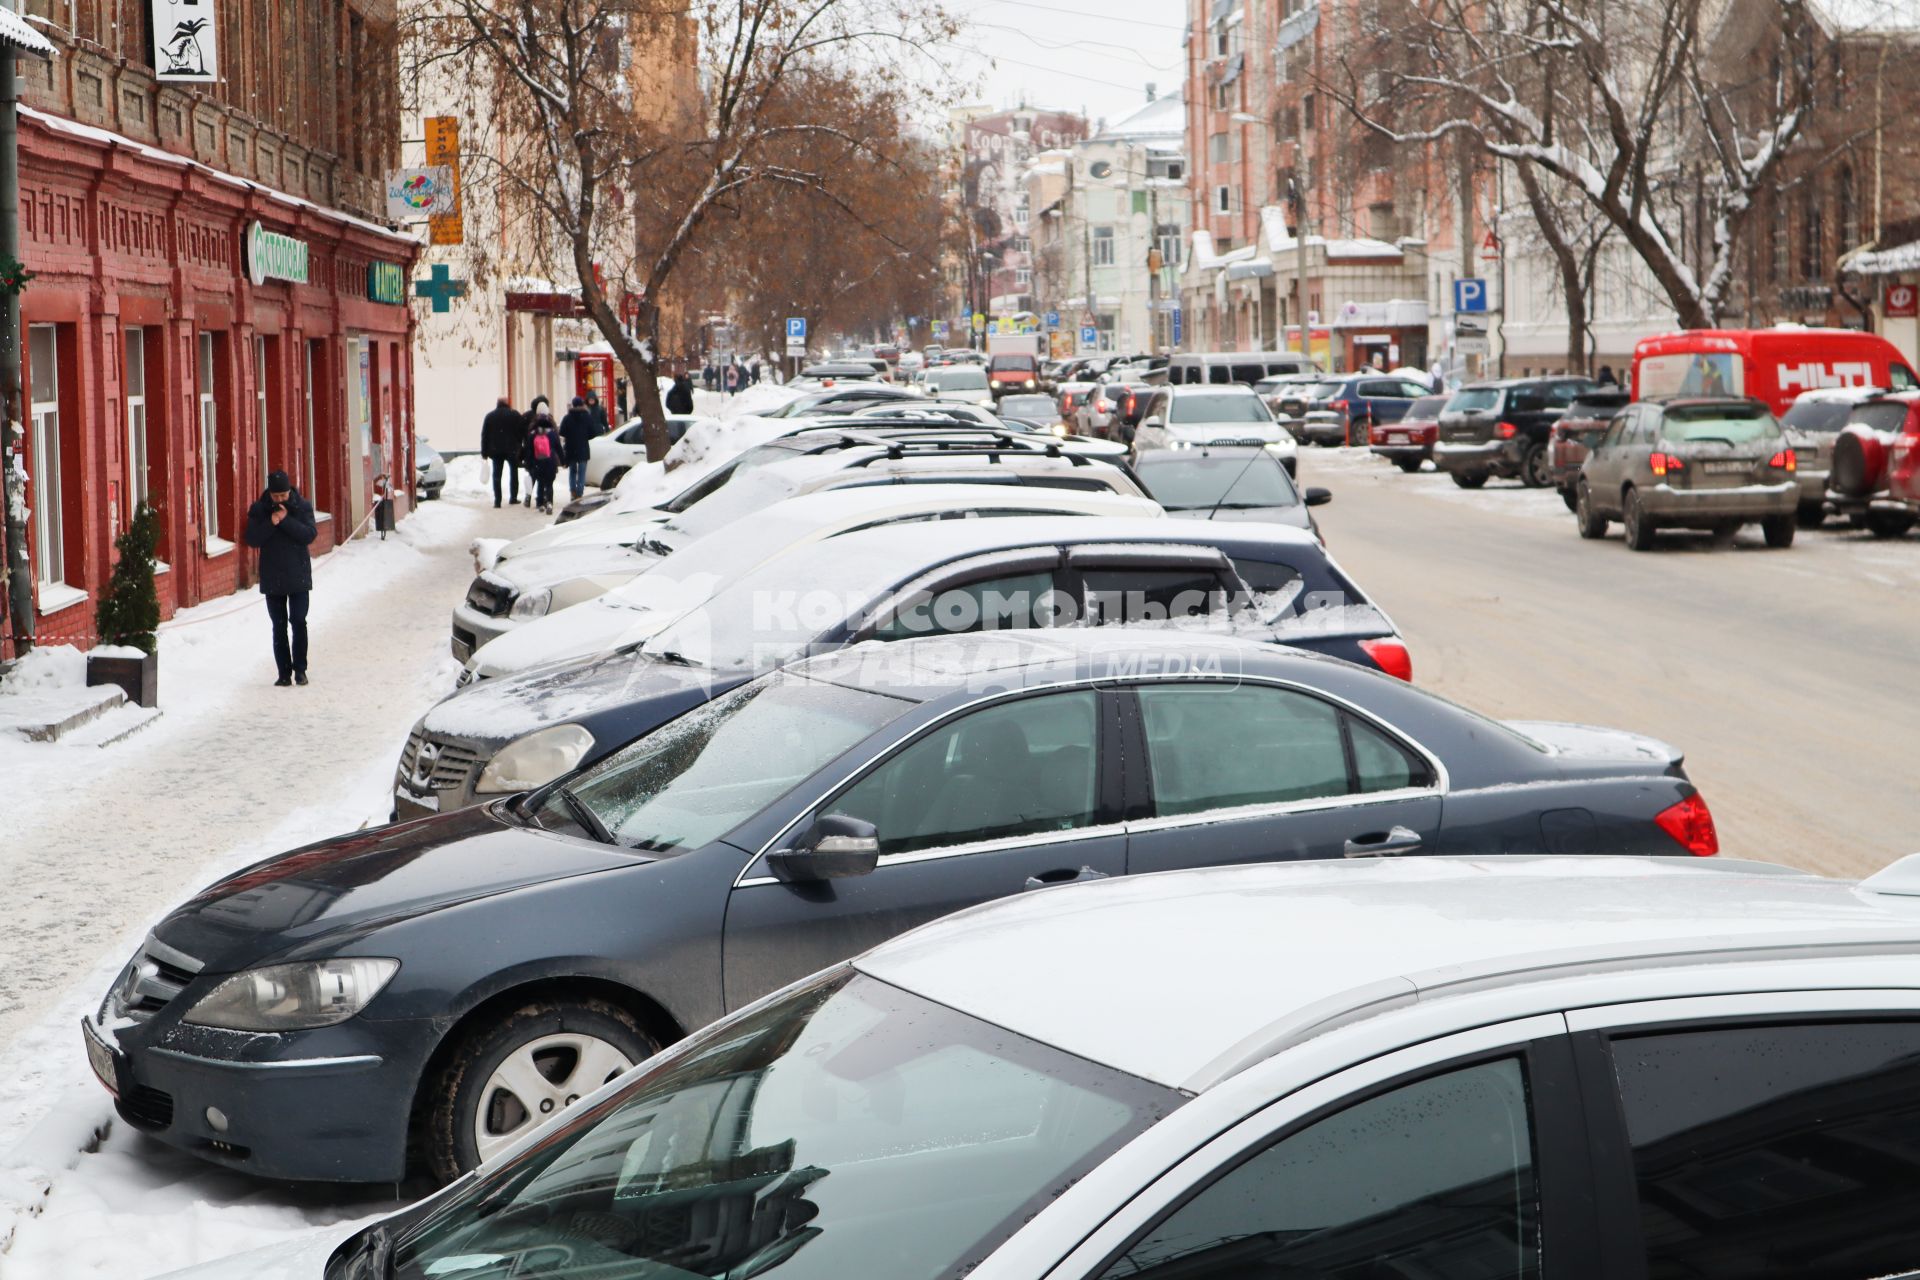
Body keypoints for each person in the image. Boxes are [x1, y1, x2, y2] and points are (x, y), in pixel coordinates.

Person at [244, 469, 318, 687]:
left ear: (289, 492)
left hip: (298, 575)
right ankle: (283, 673)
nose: (280, 500)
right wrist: (271, 522)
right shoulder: (259, 510)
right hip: (272, 575)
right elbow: (252, 539)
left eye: (283, 496)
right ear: (270, 494)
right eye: (276, 497)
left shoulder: (302, 507)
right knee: (279, 625)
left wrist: (285, 521)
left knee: (298, 621)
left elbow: (309, 534)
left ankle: (301, 670)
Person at [479, 397, 526, 508]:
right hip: (512, 449)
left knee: (497, 475)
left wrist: (484, 452)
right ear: (507, 403)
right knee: (513, 472)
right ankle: (513, 497)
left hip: (496, 450)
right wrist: (519, 444)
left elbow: (485, 435)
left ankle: (497, 500)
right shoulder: (514, 415)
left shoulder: (490, 416)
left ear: (497, 404)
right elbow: (522, 431)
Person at [559, 395, 600, 501]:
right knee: (582, 471)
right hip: (583, 447)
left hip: (571, 448)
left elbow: (562, 432)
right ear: (582, 404)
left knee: (572, 471)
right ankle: (579, 492)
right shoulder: (587, 417)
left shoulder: (567, 417)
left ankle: (572, 491)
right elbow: (593, 433)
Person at [525, 413, 561, 513]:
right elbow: (558, 448)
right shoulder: (553, 434)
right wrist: (563, 460)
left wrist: (528, 464)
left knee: (540, 483)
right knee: (549, 484)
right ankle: (549, 502)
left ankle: (540, 503)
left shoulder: (533, 435)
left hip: (538, 462)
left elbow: (529, 451)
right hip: (550, 462)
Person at [520, 395, 551, 507]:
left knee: (532, 475)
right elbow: (554, 434)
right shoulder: (548, 418)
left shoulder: (527, 416)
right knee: (545, 476)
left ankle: (528, 496)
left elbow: (523, 433)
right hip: (546, 452)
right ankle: (543, 497)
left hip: (532, 451)